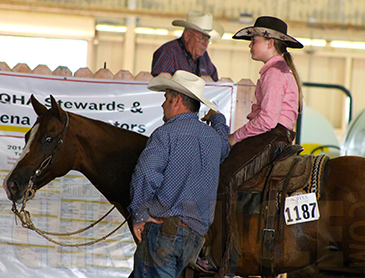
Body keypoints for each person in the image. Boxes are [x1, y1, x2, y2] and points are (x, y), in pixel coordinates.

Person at [197, 16, 304, 276]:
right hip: (276, 134)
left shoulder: (275, 74)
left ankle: (222, 252)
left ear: (270, 42)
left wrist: (234, 137)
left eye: (254, 40)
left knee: (222, 177)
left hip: (270, 136)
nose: (250, 45)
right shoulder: (277, 71)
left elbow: (267, 120)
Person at [127, 70, 230, 278]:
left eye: (166, 98)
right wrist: (218, 118)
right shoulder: (213, 139)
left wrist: (139, 214)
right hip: (194, 239)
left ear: (177, 100)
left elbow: (146, 173)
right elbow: (225, 145)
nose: (163, 104)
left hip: (164, 233)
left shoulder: (165, 134)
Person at [151, 10, 224, 81]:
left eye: (208, 39)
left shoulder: (204, 57)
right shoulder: (168, 53)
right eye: (202, 38)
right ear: (187, 36)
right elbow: (159, 87)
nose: (206, 44)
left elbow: (215, 84)